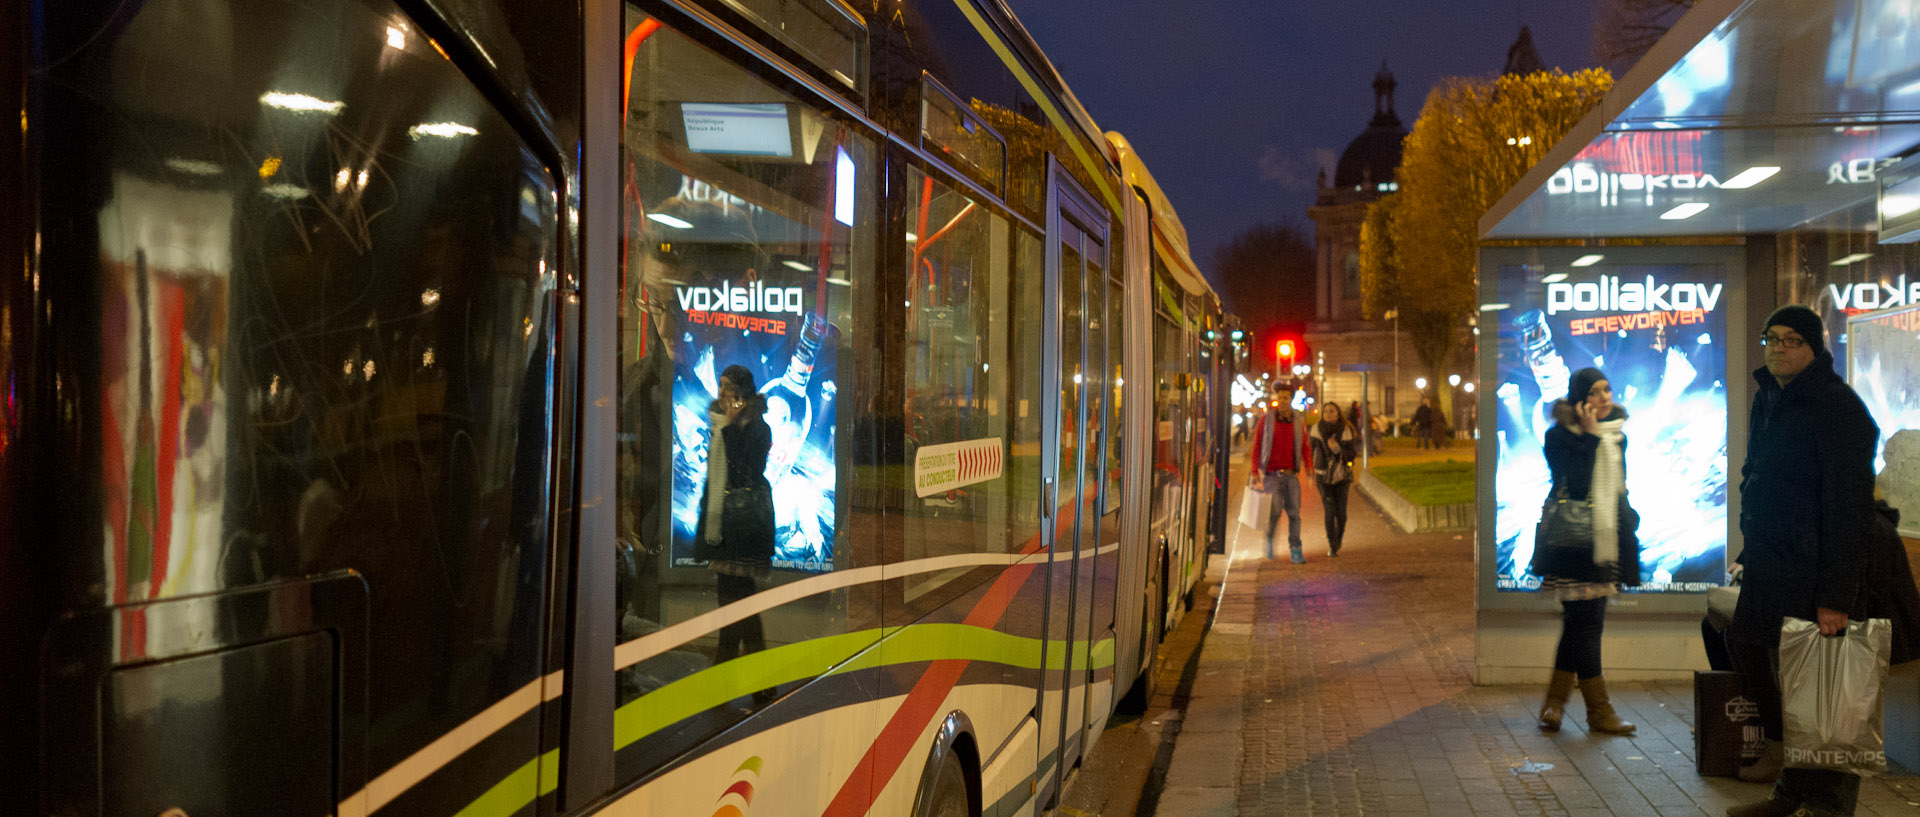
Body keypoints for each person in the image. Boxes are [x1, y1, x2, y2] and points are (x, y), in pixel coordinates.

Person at [1724, 306, 1878, 817]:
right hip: (1773, 565)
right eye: (1772, 339)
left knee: (1821, 692)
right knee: (1761, 656)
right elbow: (1759, 478)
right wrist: (1751, 549)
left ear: (1815, 348)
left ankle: (1827, 804)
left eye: (1792, 340)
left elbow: (1848, 509)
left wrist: (1836, 597)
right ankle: (1792, 789)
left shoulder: (1838, 408)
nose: (1778, 348)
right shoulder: (1771, 397)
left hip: (1815, 573)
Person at [1533, 367, 1642, 737]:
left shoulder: (1619, 436)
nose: (1604, 397)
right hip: (1574, 544)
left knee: (1579, 626)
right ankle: (1599, 712)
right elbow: (1577, 485)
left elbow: (1620, 489)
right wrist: (1590, 438)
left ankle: (1554, 705)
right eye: (1595, 392)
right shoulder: (1559, 436)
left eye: (1607, 389)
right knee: (1586, 627)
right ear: (1579, 400)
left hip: (1606, 542)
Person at [696, 365, 778, 696]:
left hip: (744, 527)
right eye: (720, 385)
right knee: (734, 606)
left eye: (729, 387)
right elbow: (713, 479)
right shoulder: (718, 424)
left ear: (743, 392)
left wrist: (729, 430)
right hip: (723, 524)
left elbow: (745, 472)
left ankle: (739, 681)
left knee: (738, 606)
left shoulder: (758, 427)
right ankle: (740, 682)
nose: (722, 393)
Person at [1249, 390, 1306, 563]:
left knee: (1294, 514)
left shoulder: (1297, 421)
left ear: (1290, 400)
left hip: (1291, 476)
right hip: (1271, 476)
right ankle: (1269, 541)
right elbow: (1257, 445)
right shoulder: (1266, 420)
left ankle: (1295, 549)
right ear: (1276, 399)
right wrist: (1254, 471)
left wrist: (1309, 468)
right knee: (1273, 512)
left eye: (1286, 398)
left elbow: (1305, 445)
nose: (1282, 400)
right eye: (1280, 397)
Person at [1308, 402, 1359, 557]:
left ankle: (1339, 538)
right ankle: (1332, 544)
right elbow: (1309, 451)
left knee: (1341, 512)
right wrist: (1309, 470)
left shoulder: (1346, 430)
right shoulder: (1317, 429)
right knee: (1329, 510)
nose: (1328, 414)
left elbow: (1351, 454)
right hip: (1323, 475)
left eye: (1332, 411)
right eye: (1326, 412)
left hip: (1341, 475)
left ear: (1338, 414)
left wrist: (1337, 449)